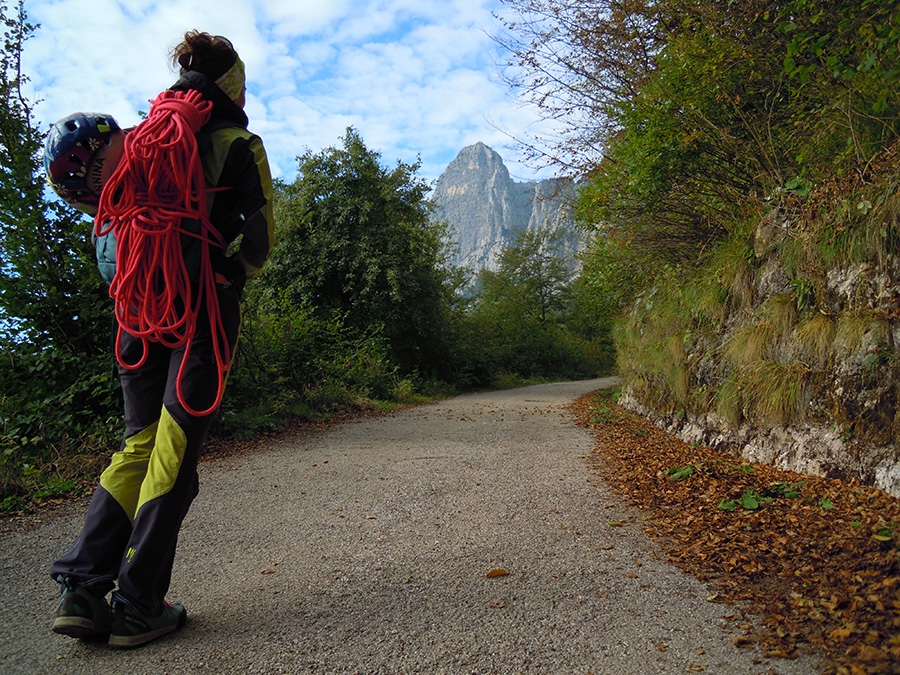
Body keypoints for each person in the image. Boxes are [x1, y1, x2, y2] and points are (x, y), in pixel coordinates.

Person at [44, 31, 274, 648]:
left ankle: (83, 589)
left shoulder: (131, 171)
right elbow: (258, 244)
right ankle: (140, 604)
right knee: (173, 456)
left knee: (137, 447)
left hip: (136, 323)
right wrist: (222, 274)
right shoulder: (234, 143)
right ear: (232, 83)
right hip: (200, 310)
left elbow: (111, 266)